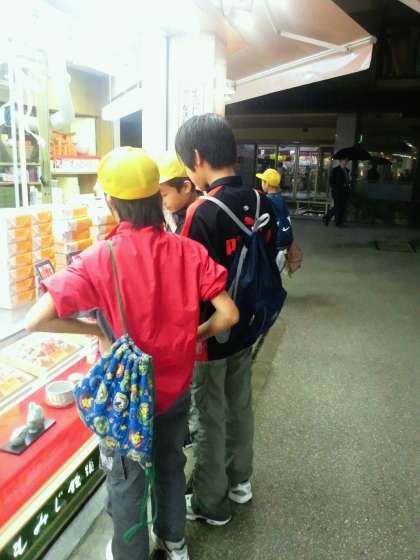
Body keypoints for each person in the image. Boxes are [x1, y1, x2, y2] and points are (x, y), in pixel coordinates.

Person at [24, 147, 239, 560]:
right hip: (174, 388)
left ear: (111, 202)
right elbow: (228, 314)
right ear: (157, 196)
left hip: (126, 396)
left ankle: (131, 554)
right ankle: (174, 543)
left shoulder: (98, 258)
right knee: (171, 465)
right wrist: (193, 336)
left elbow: (36, 319)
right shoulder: (188, 251)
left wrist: (95, 329)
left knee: (126, 479)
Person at [175, 113, 278, 525]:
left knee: (208, 416)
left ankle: (210, 503)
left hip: (211, 333)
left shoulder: (201, 212)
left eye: (186, 164)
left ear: (197, 157)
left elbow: (187, 285)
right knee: (240, 405)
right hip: (248, 325)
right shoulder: (261, 199)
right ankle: (240, 482)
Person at [256, 167, 302, 275]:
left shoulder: (266, 200)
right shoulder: (280, 199)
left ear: (267, 183)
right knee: (277, 270)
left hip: (275, 241)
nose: (261, 184)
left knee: (270, 271)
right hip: (286, 239)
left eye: (262, 181)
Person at [158, 152, 198, 233]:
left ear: (186, 187)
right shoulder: (172, 215)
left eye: (164, 195)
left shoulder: (198, 220)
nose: (162, 202)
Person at [323, 158, 351, 227]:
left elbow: (346, 180)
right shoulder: (335, 170)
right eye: (344, 161)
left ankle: (337, 221)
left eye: (347, 161)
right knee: (337, 206)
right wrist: (336, 188)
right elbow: (331, 181)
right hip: (337, 191)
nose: (346, 162)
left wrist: (348, 183)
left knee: (342, 207)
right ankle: (327, 217)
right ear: (340, 161)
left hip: (345, 191)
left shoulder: (346, 170)